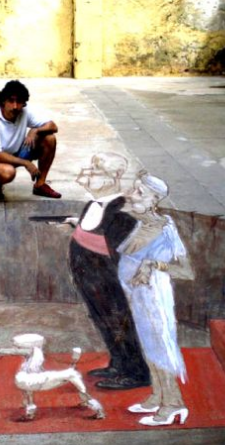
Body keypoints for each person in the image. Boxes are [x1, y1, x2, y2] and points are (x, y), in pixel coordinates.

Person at [65, 153, 151, 390]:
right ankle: (118, 363)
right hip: (88, 279)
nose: (88, 175)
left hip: (108, 280)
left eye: (95, 171)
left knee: (118, 323)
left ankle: (136, 373)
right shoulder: (92, 205)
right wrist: (77, 225)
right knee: (102, 321)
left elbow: (117, 251)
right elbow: (93, 232)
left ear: (115, 176)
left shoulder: (121, 213)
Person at [118, 172, 190, 426]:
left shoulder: (164, 230)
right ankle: (158, 395)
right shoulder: (140, 223)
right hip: (137, 296)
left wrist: (154, 264)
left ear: (154, 200)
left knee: (159, 348)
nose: (131, 195)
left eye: (139, 192)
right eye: (133, 189)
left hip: (154, 297)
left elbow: (186, 271)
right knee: (148, 346)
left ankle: (173, 404)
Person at [0, 80, 61, 201]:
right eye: (11, 101)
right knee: (8, 172)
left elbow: (53, 126)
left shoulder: (24, 110)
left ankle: (40, 184)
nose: (15, 106)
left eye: (19, 102)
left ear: (24, 103)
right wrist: (26, 163)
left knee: (49, 138)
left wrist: (36, 130)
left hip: (17, 151)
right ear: (3, 101)